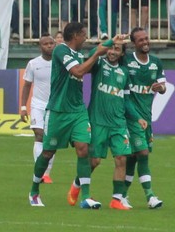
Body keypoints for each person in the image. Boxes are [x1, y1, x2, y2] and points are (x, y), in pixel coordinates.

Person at [29, 22, 120, 208]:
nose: (86, 38)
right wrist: (96, 54)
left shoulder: (78, 54)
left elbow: (92, 53)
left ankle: (85, 196)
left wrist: (112, 41)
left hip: (78, 111)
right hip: (58, 111)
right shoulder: (60, 50)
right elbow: (78, 72)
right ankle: (34, 191)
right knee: (47, 152)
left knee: (83, 149)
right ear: (76, 35)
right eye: (84, 34)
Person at [84, 41, 146, 210]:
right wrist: (107, 43)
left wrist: (137, 117)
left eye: (116, 49)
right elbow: (89, 55)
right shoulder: (98, 64)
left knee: (121, 159)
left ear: (122, 54)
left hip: (118, 123)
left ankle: (116, 200)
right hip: (98, 122)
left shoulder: (124, 72)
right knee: (94, 161)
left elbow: (126, 100)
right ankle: (78, 184)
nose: (112, 51)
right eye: (111, 48)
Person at [121, 27, 166, 209]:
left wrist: (160, 88)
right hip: (131, 116)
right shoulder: (127, 61)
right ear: (134, 43)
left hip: (147, 117)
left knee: (133, 157)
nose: (145, 42)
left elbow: (163, 86)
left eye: (147, 38)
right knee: (143, 154)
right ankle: (150, 196)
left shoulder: (156, 63)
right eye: (141, 40)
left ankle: (121, 195)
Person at [20, 35, 56, 184]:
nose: (49, 46)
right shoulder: (33, 64)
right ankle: (40, 172)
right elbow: (27, 85)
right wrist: (23, 107)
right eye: (45, 44)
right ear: (40, 47)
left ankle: (46, 173)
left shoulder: (60, 63)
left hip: (54, 106)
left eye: (51, 43)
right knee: (39, 134)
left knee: (51, 139)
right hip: (38, 105)